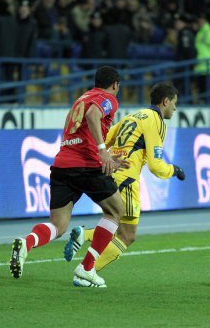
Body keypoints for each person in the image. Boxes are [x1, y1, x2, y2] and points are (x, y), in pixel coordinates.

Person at [10, 66, 129, 287]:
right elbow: (93, 115)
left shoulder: (81, 98)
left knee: (59, 225)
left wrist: (109, 156)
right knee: (116, 211)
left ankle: (26, 243)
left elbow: (81, 135)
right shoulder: (108, 99)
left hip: (63, 165)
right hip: (87, 166)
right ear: (115, 85)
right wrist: (103, 151)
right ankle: (87, 267)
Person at [63, 82, 186, 288]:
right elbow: (156, 166)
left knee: (115, 223)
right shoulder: (156, 121)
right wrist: (175, 170)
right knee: (127, 235)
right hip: (128, 179)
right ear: (165, 101)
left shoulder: (134, 116)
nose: (175, 108)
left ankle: (85, 241)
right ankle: (86, 269)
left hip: (111, 174)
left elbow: (105, 139)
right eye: (174, 103)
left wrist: (109, 158)